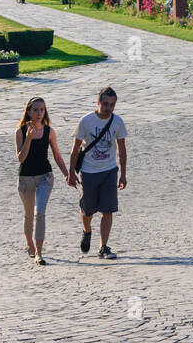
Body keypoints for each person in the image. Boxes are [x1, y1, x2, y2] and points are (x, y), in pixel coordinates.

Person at [70, 87, 128, 260]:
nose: (108, 108)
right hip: (88, 172)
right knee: (87, 211)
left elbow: (122, 150)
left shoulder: (117, 122)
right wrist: (71, 173)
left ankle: (103, 246)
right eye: (105, 104)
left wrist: (123, 174)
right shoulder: (86, 121)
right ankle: (87, 230)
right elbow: (75, 148)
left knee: (107, 210)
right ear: (98, 102)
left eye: (112, 105)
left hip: (109, 170)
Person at [15, 96, 72, 265]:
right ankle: (29, 244)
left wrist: (67, 174)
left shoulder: (49, 131)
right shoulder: (20, 132)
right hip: (25, 178)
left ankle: (39, 253)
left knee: (40, 212)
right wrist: (29, 139)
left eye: (42, 110)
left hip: (45, 177)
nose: (39, 113)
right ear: (29, 112)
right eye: (35, 110)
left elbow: (57, 155)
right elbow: (21, 158)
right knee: (29, 215)